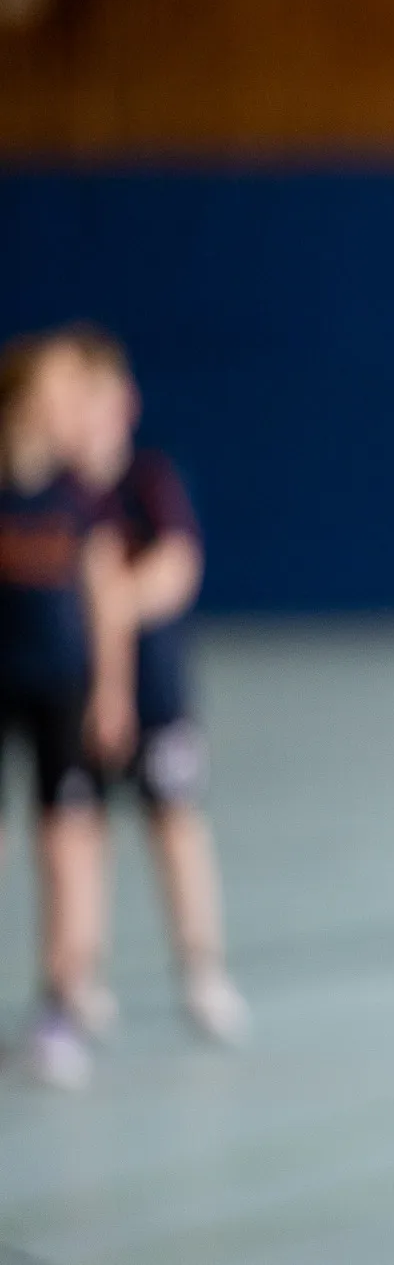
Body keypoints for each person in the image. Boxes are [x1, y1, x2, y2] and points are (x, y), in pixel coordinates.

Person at [60, 325, 249, 1045]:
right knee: (82, 833)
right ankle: (80, 978)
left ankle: (202, 968)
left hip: (160, 695)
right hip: (74, 700)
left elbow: (176, 567)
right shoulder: (53, 494)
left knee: (174, 822)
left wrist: (107, 603)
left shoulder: (149, 480)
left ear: (125, 401)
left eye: (94, 397)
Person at [0, 331, 134, 1090]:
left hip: (61, 691)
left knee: (66, 845)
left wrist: (111, 692)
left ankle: (61, 1001)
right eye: (57, 391)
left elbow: (104, 600)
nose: (70, 407)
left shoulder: (79, 499)